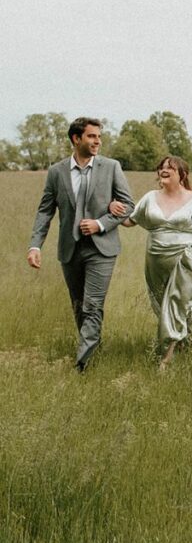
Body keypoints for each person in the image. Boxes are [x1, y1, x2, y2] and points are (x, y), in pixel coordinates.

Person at [28, 117, 134, 372]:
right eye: (91, 136)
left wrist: (100, 223)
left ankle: (82, 364)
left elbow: (128, 205)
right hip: (70, 249)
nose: (97, 141)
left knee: (92, 304)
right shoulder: (57, 172)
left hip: (102, 249)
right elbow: (45, 211)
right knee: (78, 305)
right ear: (76, 139)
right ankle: (92, 347)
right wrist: (35, 246)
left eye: (98, 136)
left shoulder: (111, 167)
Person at [120, 156, 192, 369]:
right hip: (155, 259)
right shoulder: (150, 197)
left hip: (187, 258)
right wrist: (115, 211)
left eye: (169, 168)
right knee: (164, 304)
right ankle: (186, 343)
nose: (163, 170)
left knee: (176, 302)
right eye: (161, 168)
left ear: (182, 174)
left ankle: (165, 358)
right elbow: (131, 220)